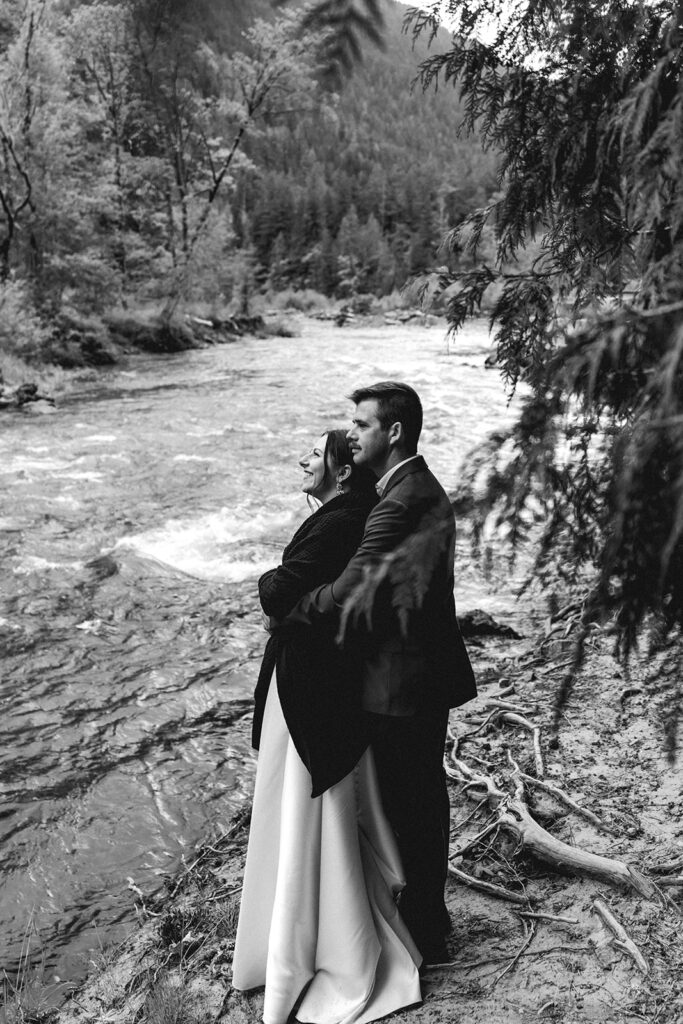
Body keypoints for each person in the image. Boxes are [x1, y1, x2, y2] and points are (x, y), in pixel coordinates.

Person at [279, 382, 477, 965]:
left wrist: (289, 604)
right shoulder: (407, 488)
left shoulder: (401, 501)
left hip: (402, 685)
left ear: (392, 432)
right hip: (414, 676)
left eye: (362, 425)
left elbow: (349, 593)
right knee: (415, 804)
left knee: (412, 807)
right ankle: (423, 920)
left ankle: (427, 932)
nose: (353, 433)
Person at [232, 429, 423, 1024]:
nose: (301, 460)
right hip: (325, 684)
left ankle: (307, 950)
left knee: (300, 810)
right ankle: (299, 937)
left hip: (310, 689)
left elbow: (277, 591)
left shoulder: (340, 519)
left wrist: (276, 597)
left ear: (341, 472)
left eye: (314, 454)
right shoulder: (350, 513)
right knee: (306, 813)